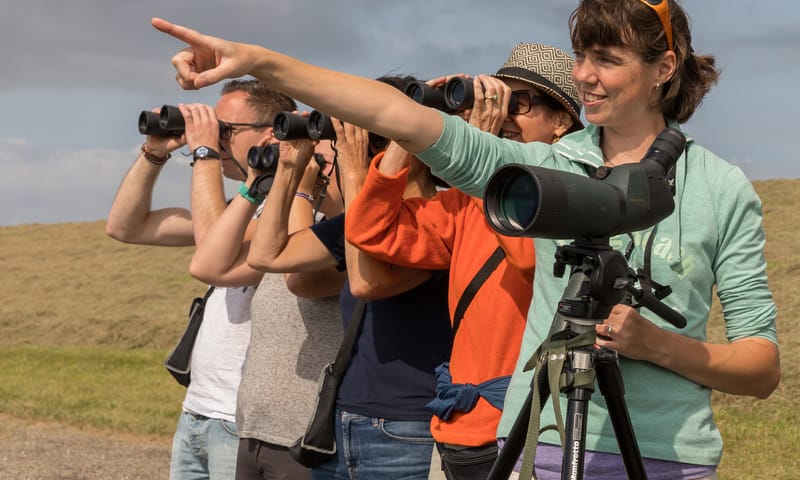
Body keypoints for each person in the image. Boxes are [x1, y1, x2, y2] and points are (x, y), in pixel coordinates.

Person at [151, 0, 781, 477]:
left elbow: (761, 366)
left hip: (670, 455)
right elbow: (400, 115)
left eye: (607, 60)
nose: (585, 76)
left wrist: (658, 347)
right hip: (541, 444)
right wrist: (260, 61)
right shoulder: (544, 167)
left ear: (663, 68)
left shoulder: (720, 189)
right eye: (581, 57)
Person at [344, 44, 583, 480]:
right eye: (495, 101)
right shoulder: (461, 205)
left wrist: (483, 154)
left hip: (522, 429)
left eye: (519, 104)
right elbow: (371, 231)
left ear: (561, 122)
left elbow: (528, 258)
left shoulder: (574, 200)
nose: (504, 115)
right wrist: (408, 127)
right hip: (457, 424)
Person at [245, 85, 454, 478]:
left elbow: (366, 282)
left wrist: (358, 171)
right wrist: (291, 170)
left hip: (410, 428)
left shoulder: (442, 219)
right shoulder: (356, 220)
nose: (364, 153)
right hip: (344, 422)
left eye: (376, 141)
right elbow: (266, 255)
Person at [106, 79, 298, 479]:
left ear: (273, 132)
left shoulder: (297, 216)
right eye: (215, 129)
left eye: (227, 130)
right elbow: (126, 226)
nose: (218, 139)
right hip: (198, 411)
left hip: (241, 422)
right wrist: (154, 154)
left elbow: (212, 250)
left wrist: (206, 154)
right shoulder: (240, 211)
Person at [188, 127, 346, 480]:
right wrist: (257, 184)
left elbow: (298, 278)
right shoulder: (289, 226)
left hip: (306, 435)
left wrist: (301, 188)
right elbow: (207, 265)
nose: (314, 169)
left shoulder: (346, 235)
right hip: (255, 427)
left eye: (321, 161)